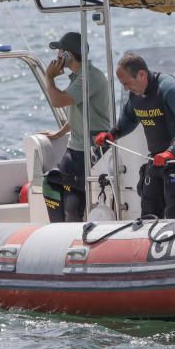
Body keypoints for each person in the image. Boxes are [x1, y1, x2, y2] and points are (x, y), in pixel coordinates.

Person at [94, 53, 175, 219]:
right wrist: (111, 135)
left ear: (141, 74)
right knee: (149, 213)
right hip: (155, 160)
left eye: (127, 83)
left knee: (174, 212)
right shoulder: (136, 96)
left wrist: (171, 152)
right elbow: (128, 120)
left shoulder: (168, 88)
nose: (126, 89)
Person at [41, 32, 111, 223]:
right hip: (76, 148)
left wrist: (49, 78)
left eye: (60, 51)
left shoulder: (88, 78)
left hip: (91, 148)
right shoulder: (79, 77)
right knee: (55, 187)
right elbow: (79, 113)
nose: (57, 56)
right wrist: (60, 132)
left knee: (76, 205)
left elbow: (58, 101)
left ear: (68, 55)